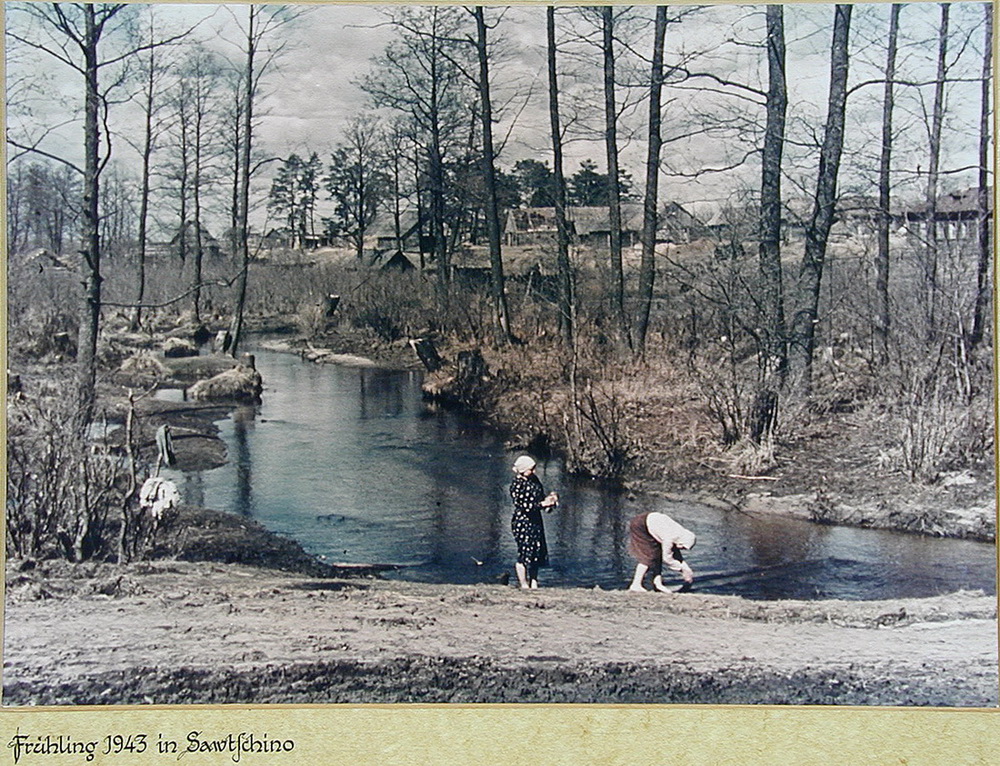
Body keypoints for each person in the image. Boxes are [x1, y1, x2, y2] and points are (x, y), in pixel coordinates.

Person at [509, 455, 558, 589]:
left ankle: (534, 582)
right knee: (524, 552)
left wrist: (550, 501)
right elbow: (525, 506)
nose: (534, 471)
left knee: (536, 552)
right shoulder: (516, 485)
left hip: (536, 521)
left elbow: (540, 499)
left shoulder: (534, 480)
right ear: (523, 469)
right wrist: (543, 504)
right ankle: (524, 583)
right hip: (522, 522)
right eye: (531, 469)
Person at [627, 511, 696, 592]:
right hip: (641, 525)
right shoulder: (669, 538)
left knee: (657, 554)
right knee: (648, 557)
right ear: (681, 542)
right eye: (683, 547)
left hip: (651, 522)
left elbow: (675, 554)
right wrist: (682, 569)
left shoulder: (679, 535)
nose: (681, 548)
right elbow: (667, 558)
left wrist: (687, 569)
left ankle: (658, 584)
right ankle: (636, 585)